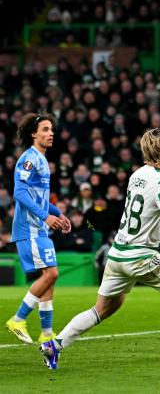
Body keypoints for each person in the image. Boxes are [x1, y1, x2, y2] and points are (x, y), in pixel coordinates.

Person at [39, 128, 160, 369]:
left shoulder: (137, 175)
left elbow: (150, 208)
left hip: (118, 253)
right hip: (141, 255)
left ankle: (55, 345)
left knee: (104, 308)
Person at [6, 114, 72, 345]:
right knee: (52, 274)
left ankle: (46, 333)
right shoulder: (29, 159)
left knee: (49, 278)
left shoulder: (42, 159)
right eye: (45, 129)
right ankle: (18, 318)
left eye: (52, 129)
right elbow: (20, 193)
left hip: (39, 228)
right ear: (33, 134)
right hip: (30, 228)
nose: (50, 133)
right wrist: (46, 217)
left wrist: (57, 213)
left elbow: (40, 197)